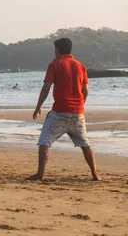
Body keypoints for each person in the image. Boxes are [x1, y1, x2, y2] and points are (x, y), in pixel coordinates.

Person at [28, 38, 100, 181]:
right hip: (78, 112)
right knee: (85, 143)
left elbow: (46, 88)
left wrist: (38, 107)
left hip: (60, 112)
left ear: (58, 50)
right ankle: (95, 174)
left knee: (44, 141)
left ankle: (40, 174)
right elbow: (85, 90)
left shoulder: (55, 64)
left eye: (55, 49)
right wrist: (80, 105)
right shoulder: (80, 66)